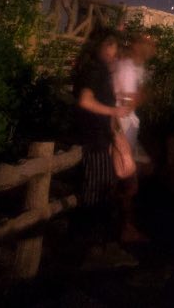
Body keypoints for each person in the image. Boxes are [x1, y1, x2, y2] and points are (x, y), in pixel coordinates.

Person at [71, 27, 137, 265]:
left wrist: (114, 130)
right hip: (94, 140)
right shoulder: (94, 70)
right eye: (109, 45)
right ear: (98, 45)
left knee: (103, 192)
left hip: (100, 138)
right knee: (96, 195)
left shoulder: (98, 71)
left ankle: (96, 247)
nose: (114, 51)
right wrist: (114, 111)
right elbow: (85, 101)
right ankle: (91, 250)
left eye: (115, 46)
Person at [111, 33, 157, 244]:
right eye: (148, 44)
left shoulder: (135, 67)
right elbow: (127, 100)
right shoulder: (128, 68)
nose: (153, 49)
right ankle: (124, 229)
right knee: (128, 182)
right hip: (124, 127)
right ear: (139, 47)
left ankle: (122, 225)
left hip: (127, 126)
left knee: (131, 177)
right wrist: (140, 96)